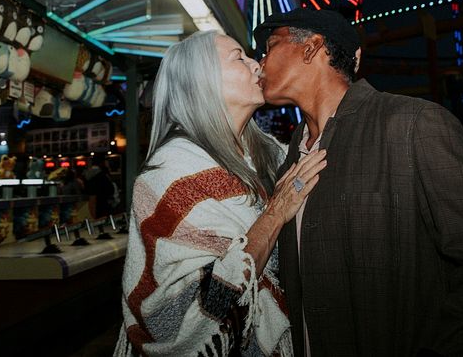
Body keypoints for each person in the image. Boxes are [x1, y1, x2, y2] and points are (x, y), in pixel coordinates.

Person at [254, 8, 463, 356]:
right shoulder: (290, 159)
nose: (259, 62)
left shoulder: (411, 125)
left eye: (269, 46)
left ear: (311, 48)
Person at [115, 30, 327, 356]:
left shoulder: (267, 153)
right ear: (202, 81)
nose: (256, 64)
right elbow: (182, 314)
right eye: (238, 57)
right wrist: (273, 214)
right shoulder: (170, 172)